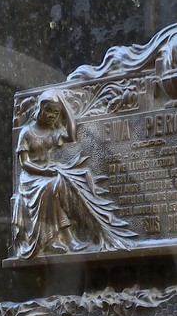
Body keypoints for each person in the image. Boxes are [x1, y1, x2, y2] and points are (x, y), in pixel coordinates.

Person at [10, 89, 133, 258]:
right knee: (51, 186)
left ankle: (65, 237)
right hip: (32, 177)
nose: (52, 115)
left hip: (49, 173)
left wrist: (64, 105)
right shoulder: (26, 132)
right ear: (40, 108)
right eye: (48, 111)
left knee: (63, 184)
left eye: (56, 112)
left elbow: (72, 135)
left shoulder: (51, 132)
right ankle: (56, 239)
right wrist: (43, 171)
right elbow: (24, 163)